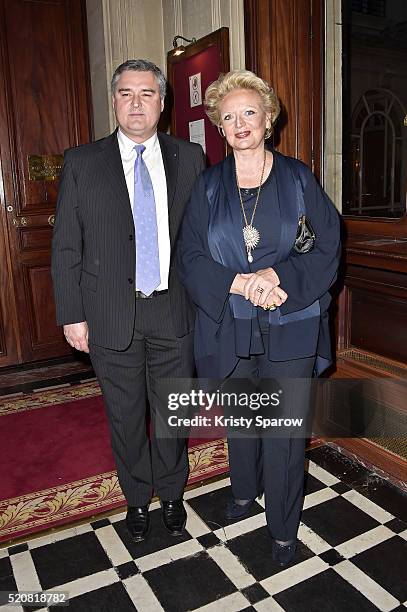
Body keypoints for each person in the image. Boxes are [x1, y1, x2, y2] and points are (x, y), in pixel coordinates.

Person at [177, 70, 340, 566]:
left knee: (285, 430)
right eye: (228, 117)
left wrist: (274, 275)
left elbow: (327, 247)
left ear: (269, 120)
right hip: (230, 318)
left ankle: (284, 528)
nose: (239, 123)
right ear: (220, 130)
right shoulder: (208, 186)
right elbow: (190, 255)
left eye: (249, 112)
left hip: (290, 321)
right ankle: (244, 492)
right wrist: (239, 283)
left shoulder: (297, 178)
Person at [51, 59, 205, 542]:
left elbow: (199, 240)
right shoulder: (81, 162)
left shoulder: (190, 158)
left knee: (172, 411)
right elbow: (67, 246)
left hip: (171, 308)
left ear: (163, 101)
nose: (136, 103)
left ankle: (173, 493)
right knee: (124, 414)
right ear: (113, 99)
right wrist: (71, 314)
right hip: (109, 313)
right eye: (125, 93)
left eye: (146, 94)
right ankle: (137, 500)